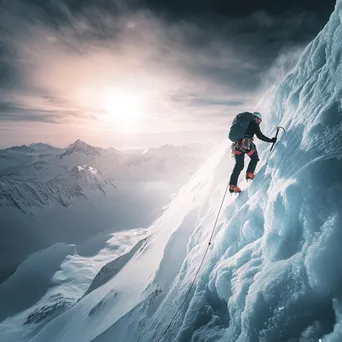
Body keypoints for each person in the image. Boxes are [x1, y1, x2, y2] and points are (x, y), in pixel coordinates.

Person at [229, 111, 277, 193]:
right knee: (254, 158)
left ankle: (233, 185)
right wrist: (271, 140)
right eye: (259, 120)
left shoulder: (244, 124)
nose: (259, 122)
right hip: (246, 144)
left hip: (237, 146)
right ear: (256, 118)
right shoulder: (254, 124)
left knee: (239, 165)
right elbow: (260, 136)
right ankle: (249, 173)